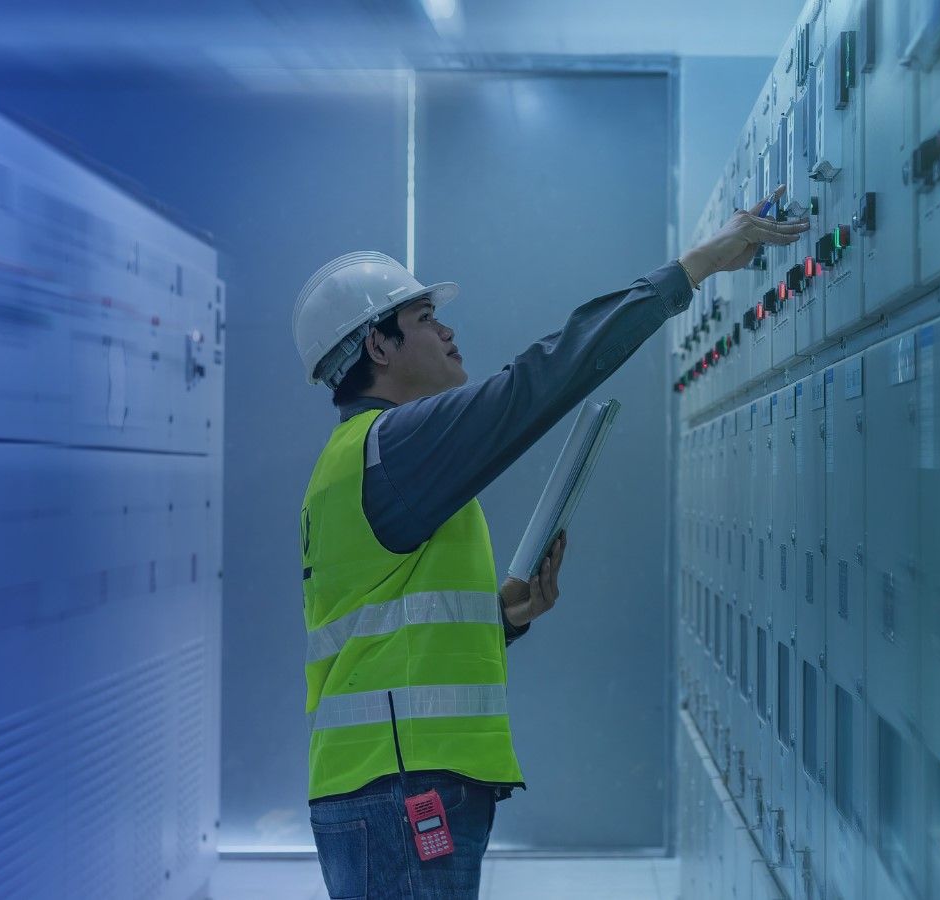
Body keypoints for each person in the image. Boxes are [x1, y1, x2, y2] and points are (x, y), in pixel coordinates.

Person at [292, 187, 808, 898]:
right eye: (425, 318)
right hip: (398, 788)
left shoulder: (354, 459)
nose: (447, 332)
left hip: (388, 784)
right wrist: (691, 269)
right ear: (378, 345)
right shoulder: (392, 448)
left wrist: (501, 617)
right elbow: (537, 384)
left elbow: (380, 633)